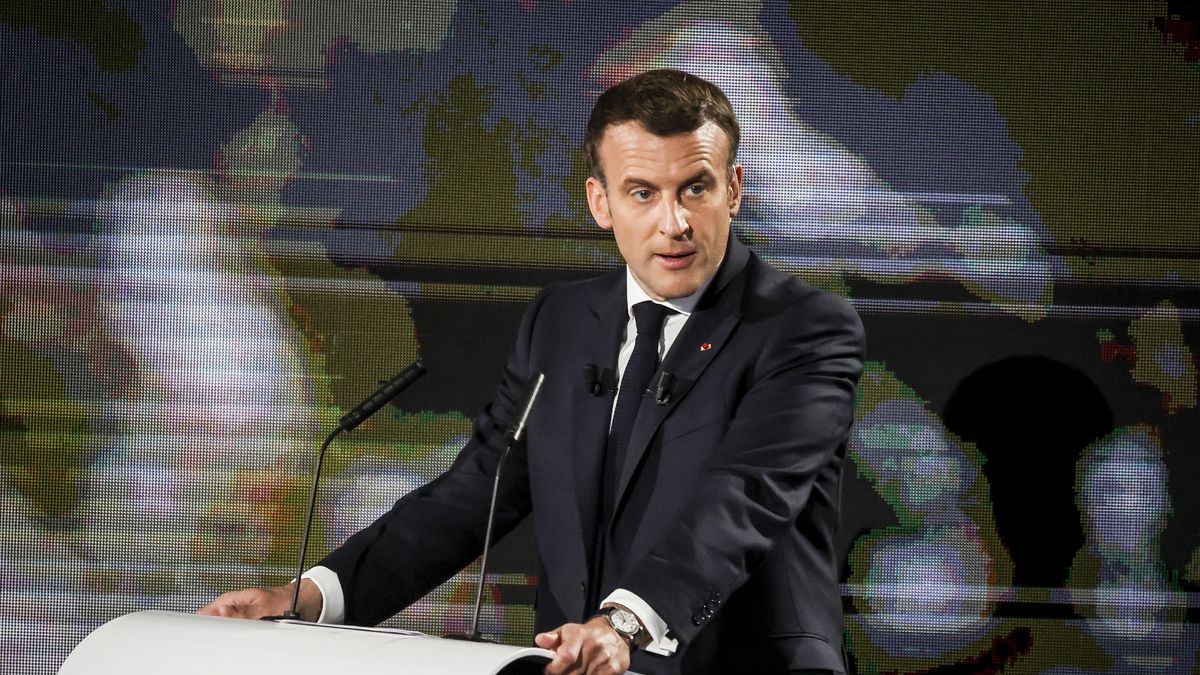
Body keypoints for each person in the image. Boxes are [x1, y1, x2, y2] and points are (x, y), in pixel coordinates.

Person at [200, 68, 865, 675]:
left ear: (734, 189)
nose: (675, 222)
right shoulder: (562, 321)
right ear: (600, 202)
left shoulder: (804, 326)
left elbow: (744, 497)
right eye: (643, 192)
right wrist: (310, 595)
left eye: (697, 188)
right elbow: (478, 490)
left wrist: (626, 622)